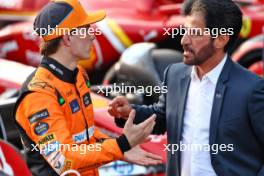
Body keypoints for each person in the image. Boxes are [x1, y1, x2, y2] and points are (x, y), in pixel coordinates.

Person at [108, 0, 264, 175]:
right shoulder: (174, 75)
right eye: (185, 31)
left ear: (221, 39)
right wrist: (129, 112)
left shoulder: (252, 89)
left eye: (195, 33)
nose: (183, 40)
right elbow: (162, 117)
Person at [14, 0, 162, 175]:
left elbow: (85, 136)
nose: (92, 36)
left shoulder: (78, 75)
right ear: (67, 38)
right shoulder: (39, 94)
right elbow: (65, 160)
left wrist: (121, 149)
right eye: (85, 30)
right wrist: (121, 144)